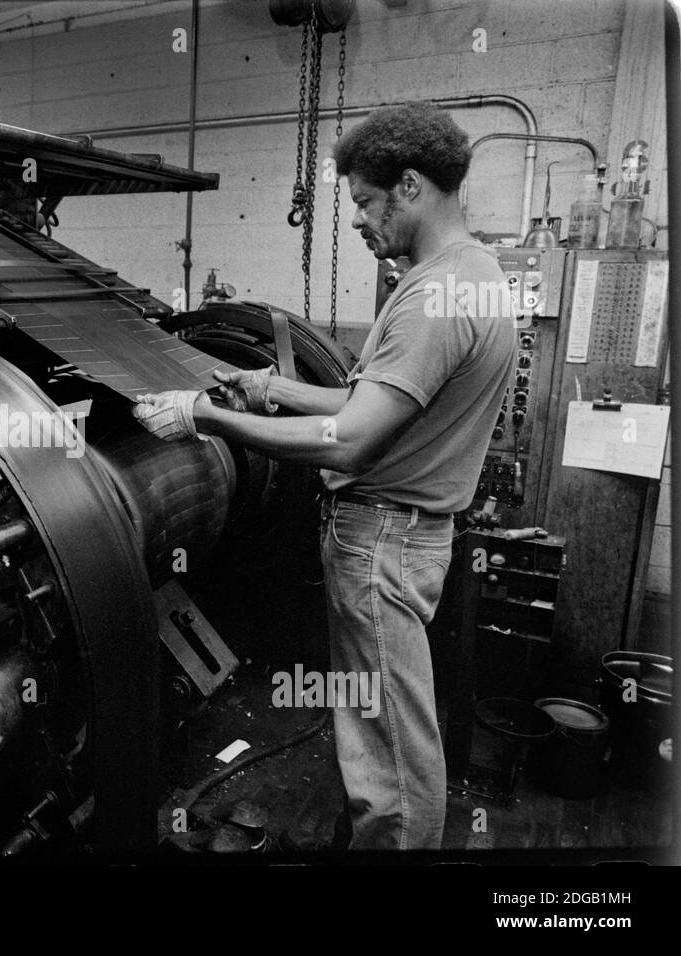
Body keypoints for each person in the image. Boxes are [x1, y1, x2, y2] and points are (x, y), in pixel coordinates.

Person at [132, 103, 516, 850]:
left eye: (366, 203)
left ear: (409, 187)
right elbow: (369, 404)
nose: (358, 222)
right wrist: (268, 389)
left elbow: (348, 441)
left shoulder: (432, 297)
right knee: (381, 734)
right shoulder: (466, 276)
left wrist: (203, 419)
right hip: (403, 538)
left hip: (382, 544)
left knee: (392, 763)